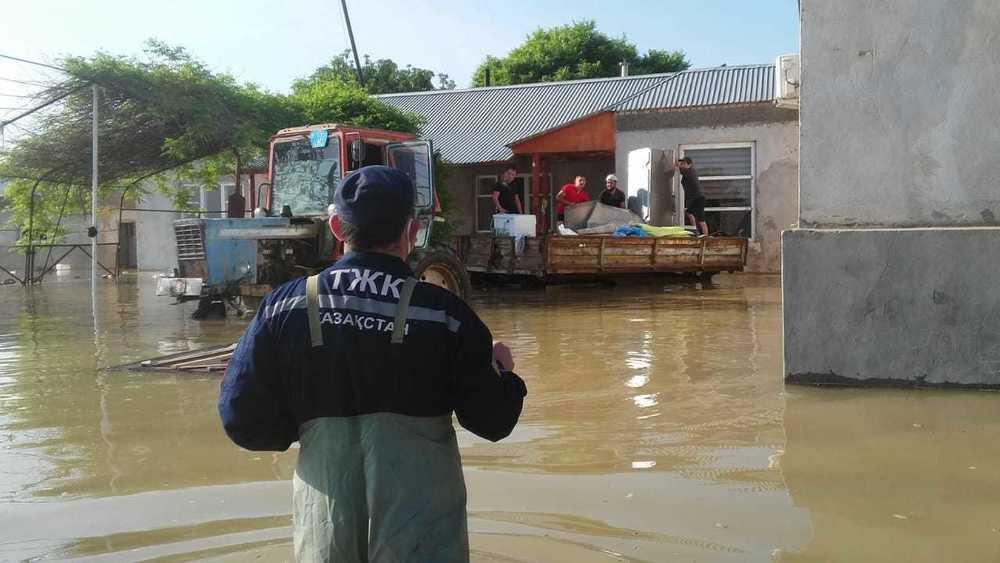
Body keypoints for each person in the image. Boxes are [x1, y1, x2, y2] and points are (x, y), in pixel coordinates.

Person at [218, 165, 527, 562]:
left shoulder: (284, 307)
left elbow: (241, 419)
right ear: (412, 230)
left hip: (326, 539)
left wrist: (308, 428)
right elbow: (493, 421)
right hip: (424, 543)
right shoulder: (444, 315)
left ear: (336, 227)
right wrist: (503, 372)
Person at [676, 157, 709, 236]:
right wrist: (678, 163)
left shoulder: (690, 171)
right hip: (694, 198)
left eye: (684, 164)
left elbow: (678, 169)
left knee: (701, 219)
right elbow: (679, 168)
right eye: (682, 164)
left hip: (698, 198)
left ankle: (706, 236)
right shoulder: (687, 171)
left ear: (689, 165)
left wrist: (675, 165)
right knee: (689, 212)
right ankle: (696, 230)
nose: (682, 165)